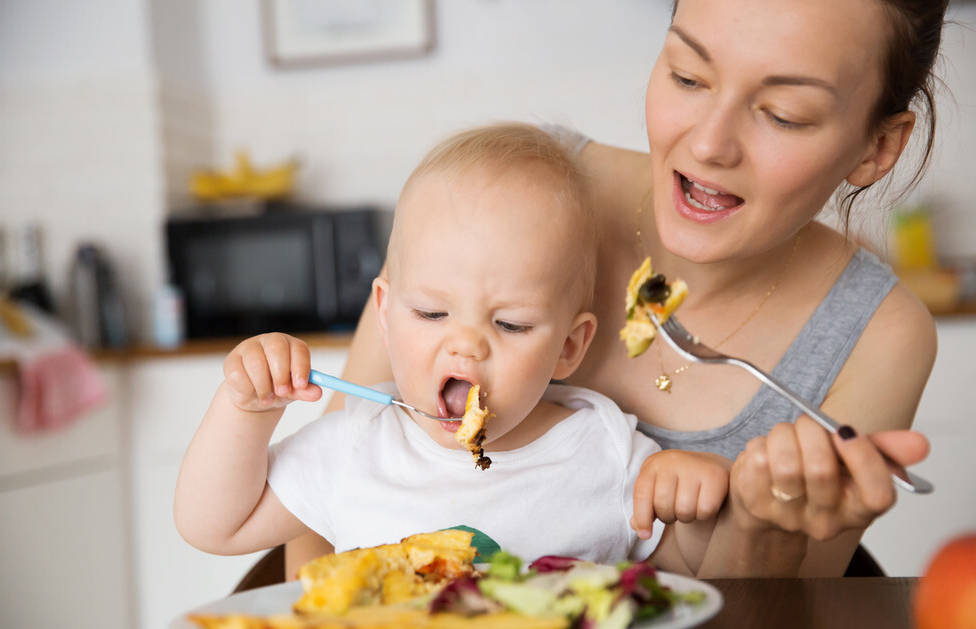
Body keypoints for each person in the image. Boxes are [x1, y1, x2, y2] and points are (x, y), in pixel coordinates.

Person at [285, 0, 946, 578]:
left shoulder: (878, 334)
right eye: (688, 75)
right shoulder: (510, 191)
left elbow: (776, 605)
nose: (710, 144)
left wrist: (759, 528)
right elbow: (321, 507)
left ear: (878, 147)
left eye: (784, 113)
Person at [174, 123, 734, 571]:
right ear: (386, 316)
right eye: (432, 313)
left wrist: (693, 504)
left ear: (569, 347)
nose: (466, 345)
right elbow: (214, 526)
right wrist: (246, 409)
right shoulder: (357, 444)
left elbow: (685, 579)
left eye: (511, 324)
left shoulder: (607, 453)